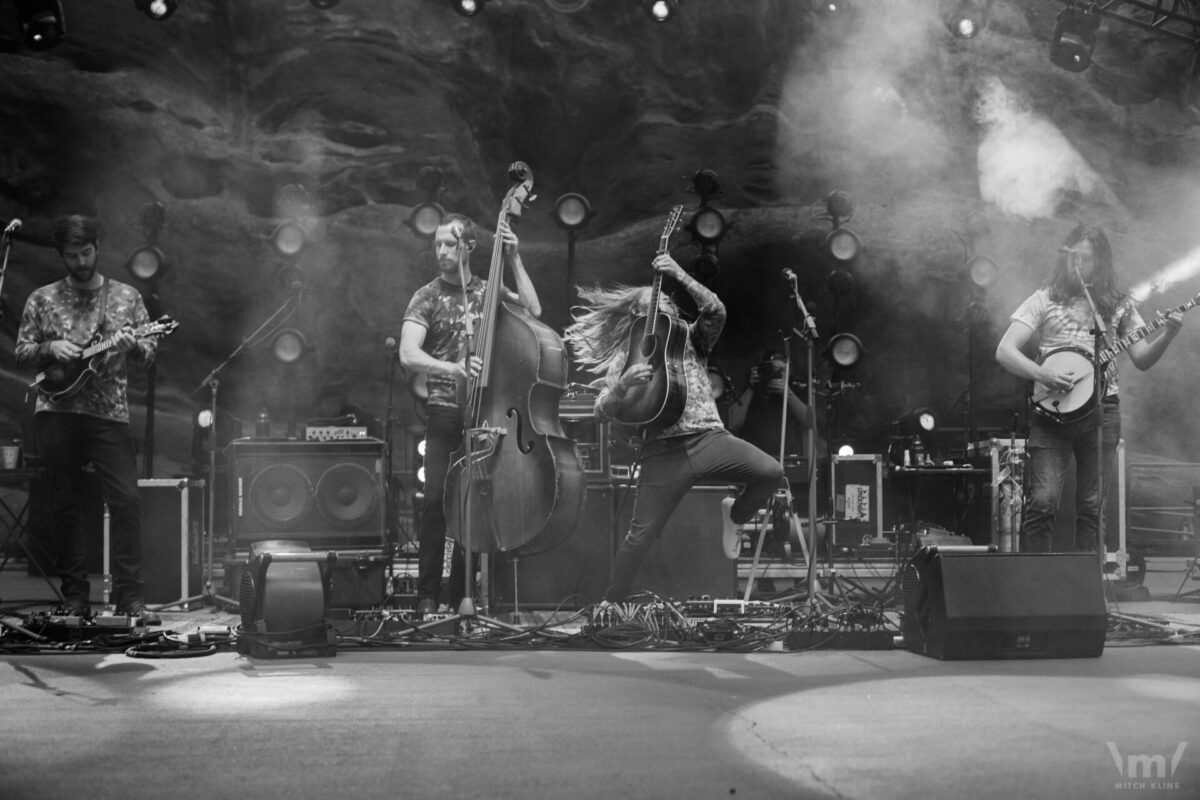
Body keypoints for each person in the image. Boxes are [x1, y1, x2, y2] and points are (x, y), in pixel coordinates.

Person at [564, 253, 783, 603]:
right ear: (641, 316)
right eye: (654, 301)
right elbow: (600, 410)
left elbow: (716, 311)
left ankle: (736, 513)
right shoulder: (627, 356)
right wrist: (623, 386)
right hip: (662, 452)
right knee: (641, 536)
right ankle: (612, 603)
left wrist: (677, 272)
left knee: (771, 472)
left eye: (666, 298)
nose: (664, 301)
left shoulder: (692, 339)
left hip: (710, 438)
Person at [995, 224, 1183, 553]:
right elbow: (1005, 350)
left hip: (1102, 411)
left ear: (1101, 262)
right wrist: (1043, 374)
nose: (1078, 265)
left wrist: (1167, 334)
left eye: (1087, 259)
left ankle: (1086, 591)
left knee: (1093, 508)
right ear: (1064, 257)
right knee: (1042, 502)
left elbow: (1141, 358)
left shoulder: (1119, 306)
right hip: (1050, 413)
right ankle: (1035, 593)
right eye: (1073, 257)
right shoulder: (1044, 298)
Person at [14, 215, 160, 623]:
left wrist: (133, 346)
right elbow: (21, 352)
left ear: (98, 247)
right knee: (65, 505)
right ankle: (75, 596)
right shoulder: (42, 299)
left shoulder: (126, 297)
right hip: (57, 412)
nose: (80, 261)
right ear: (60, 256)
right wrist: (50, 347)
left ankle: (129, 597)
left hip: (109, 414)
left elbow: (150, 354)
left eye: (86, 252)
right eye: (72, 256)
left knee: (127, 501)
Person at [398, 212, 543, 616]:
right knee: (435, 501)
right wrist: (453, 369)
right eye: (437, 245)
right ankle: (427, 594)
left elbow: (533, 310)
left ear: (468, 248)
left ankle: (465, 594)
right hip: (445, 412)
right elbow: (408, 354)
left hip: (487, 416)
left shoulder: (487, 290)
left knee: (475, 503)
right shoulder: (425, 296)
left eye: (449, 244)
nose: (441, 251)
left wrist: (514, 259)